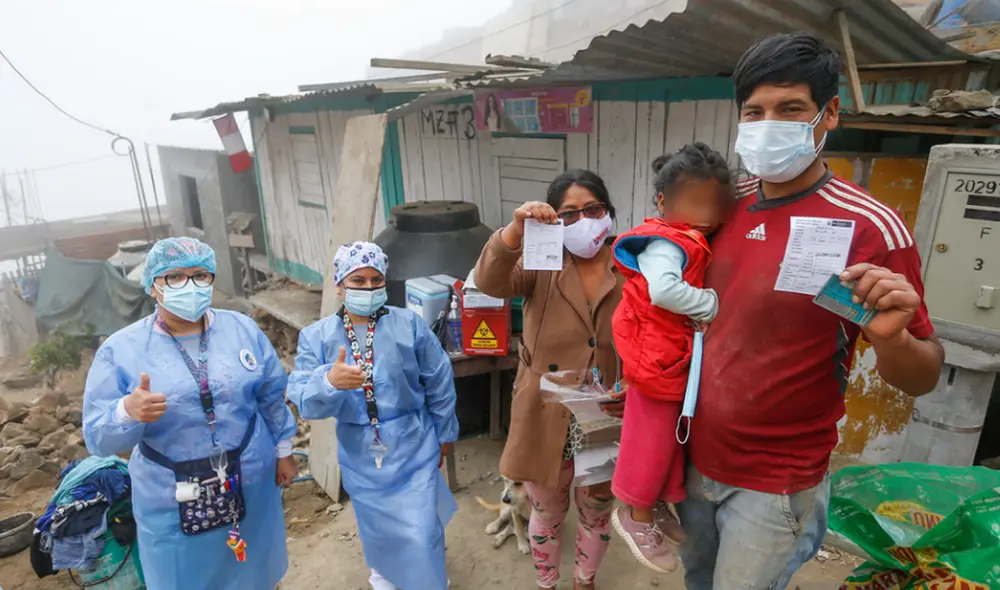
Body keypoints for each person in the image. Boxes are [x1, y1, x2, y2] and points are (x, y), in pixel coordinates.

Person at [676, 32, 944, 590]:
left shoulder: (872, 227)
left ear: (829, 115)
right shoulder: (725, 205)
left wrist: (891, 338)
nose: (768, 122)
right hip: (693, 459)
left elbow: (921, 375)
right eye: (755, 111)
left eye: (790, 108)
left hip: (775, 482)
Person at [82, 237, 297, 590]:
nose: (191, 286)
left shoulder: (241, 330)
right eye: (175, 278)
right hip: (171, 491)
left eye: (200, 275)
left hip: (249, 475)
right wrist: (126, 410)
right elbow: (97, 437)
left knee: (253, 567)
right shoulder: (120, 351)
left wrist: (284, 451)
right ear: (153, 285)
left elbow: (270, 395)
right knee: (185, 576)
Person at [473, 169, 626, 590]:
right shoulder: (541, 258)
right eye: (569, 214)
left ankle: (585, 581)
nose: (583, 220)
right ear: (554, 221)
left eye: (592, 209)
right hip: (547, 410)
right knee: (547, 509)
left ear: (608, 212)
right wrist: (513, 233)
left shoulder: (632, 260)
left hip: (608, 409)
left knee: (596, 509)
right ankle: (546, 582)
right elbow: (489, 281)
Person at [286, 241, 458, 590]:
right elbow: (303, 396)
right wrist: (328, 382)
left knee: (422, 526)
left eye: (375, 280)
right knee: (378, 528)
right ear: (339, 285)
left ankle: (430, 577)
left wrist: (445, 433)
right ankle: (386, 577)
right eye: (358, 281)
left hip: (413, 441)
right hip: (360, 451)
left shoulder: (409, 325)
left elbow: (439, 380)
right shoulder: (316, 337)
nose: (368, 288)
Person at [609, 144, 733, 573]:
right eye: (693, 201)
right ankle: (635, 514)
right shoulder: (666, 243)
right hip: (655, 361)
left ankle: (656, 504)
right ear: (663, 202)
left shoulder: (692, 238)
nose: (705, 210)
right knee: (652, 442)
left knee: (672, 443)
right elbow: (663, 291)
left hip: (669, 358)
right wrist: (709, 304)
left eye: (713, 203)